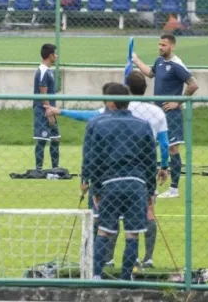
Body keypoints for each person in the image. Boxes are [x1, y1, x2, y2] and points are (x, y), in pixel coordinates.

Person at [46, 71, 168, 268]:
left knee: (103, 226)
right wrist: (159, 175)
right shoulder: (153, 115)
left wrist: (87, 180)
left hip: (108, 180)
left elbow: (91, 152)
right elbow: (155, 151)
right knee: (136, 228)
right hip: (138, 181)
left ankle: (101, 266)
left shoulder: (101, 119)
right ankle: (143, 262)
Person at [81, 83, 157, 280]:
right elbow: (150, 160)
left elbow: (93, 159)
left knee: (104, 231)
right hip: (136, 185)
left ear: (111, 102)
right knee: (132, 233)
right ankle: (125, 278)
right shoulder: (143, 125)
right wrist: (150, 191)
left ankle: (96, 275)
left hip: (110, 184)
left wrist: (95, 189)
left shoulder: (98, 124)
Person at [132, 34, 199, 199]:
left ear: (172, 47)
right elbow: (150, 73)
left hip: (171, 114)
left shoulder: (176, 65)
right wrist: (136, 60)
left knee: (173, 148)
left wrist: (178, 102)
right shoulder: (159, 61)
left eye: (164, 45)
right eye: (159, 44)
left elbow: (193, 84)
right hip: (156, 113)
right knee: (150, 148)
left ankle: (174, 189)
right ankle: (152, 187)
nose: (160, 47)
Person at [33, 44, 60, 170]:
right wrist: (49, 112)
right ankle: (39, 169)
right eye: (55, 54)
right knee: (42, 139)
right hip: (43, 110)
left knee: (55, 139)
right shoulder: (43, 71)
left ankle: (55, 168)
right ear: (50, 55)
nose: (57, 56)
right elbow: (43, 92)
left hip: (51, 109)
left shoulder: (49, 71)